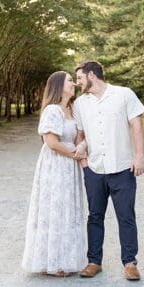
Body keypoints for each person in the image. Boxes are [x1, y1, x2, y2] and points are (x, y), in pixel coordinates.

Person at [73, 60, 144, 281]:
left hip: (122, 167)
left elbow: (136, 125)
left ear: (92, 75)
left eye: (79, 78)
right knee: (95, 216)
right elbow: (80, 134)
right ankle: (94, 261)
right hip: (94, 168)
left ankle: (130, 263)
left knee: (126, 216)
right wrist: (85, 163)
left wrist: (139, 156)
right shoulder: (80, 104)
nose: (77, 83)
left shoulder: (124, 94)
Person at [21, 71, 88, 276]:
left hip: (71, 165)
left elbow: (79, 138)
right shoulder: (52, 110)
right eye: (69, 80)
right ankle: (52, 262)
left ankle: (66, 258)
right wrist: (75, 154)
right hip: (56, 164)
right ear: (59, 85)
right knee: (55, 209)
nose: (73, 84)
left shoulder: (72, 109)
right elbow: (51, 143)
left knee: (69, 209)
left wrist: (82, 148)